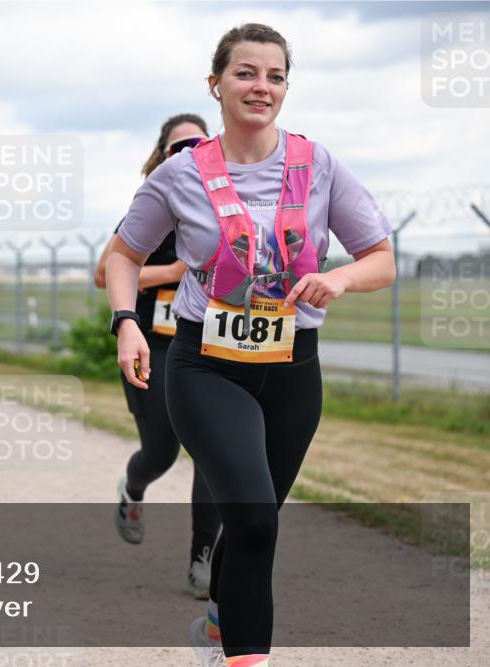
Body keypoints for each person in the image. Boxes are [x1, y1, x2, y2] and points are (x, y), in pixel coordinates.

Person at [106, 23, 395, 667]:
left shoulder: (317, 164)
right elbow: (122, 255)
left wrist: (339, 277)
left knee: (254, 523)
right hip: (207, 366)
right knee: (256, 519)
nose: (260, 86)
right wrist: (127, 321)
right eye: (245, 73)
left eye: (275, 75)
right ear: (216, 85)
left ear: (286, 88)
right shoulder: (178, 177)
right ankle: (240, 655)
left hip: (293, 368)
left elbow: (381, 259)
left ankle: (217, 622)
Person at [95, 113, 221, 600]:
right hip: (151, 341)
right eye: (178, 146)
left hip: (206, 343)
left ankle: (202, 557)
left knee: (210, 452)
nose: (188, 151)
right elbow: (105, 274)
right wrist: (169, 271)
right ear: (162, 156)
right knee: (163, 450)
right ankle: (134, 484)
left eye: (199, 142)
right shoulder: (150, 206)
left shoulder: (221, 207)